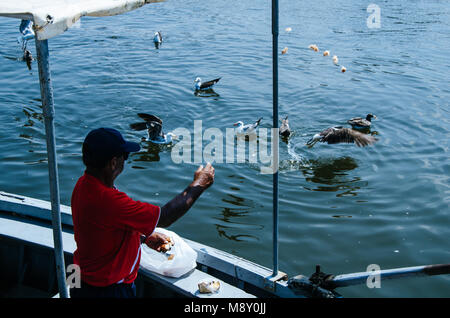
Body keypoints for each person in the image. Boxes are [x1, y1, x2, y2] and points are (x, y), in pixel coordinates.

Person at [70, 127, 214, 298]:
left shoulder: (82, 185)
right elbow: (165, 216)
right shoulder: (110, 201)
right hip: (107, 290)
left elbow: (102, 230)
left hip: (78, 277)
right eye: (125, 156)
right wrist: (200, 183)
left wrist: (143, 238)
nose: (126, 161)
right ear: (113, 163)